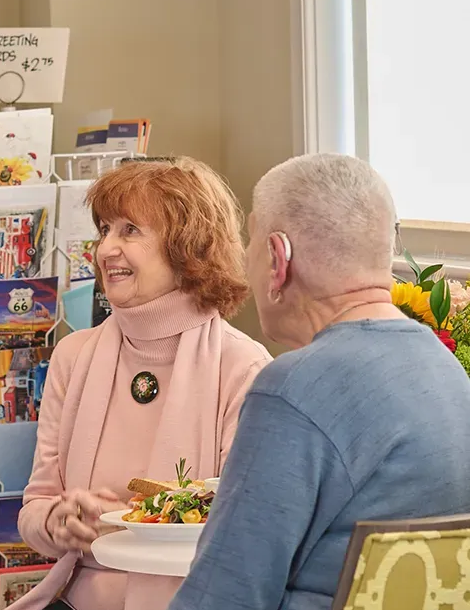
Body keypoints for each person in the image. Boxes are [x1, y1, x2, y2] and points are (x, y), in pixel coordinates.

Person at [167, 154, 470, 610]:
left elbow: (224, 595)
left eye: (250, 243)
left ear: (277, 257)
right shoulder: (446, 371)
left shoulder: (292, 390)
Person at [10, 157, 273, 610]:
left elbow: (245, 531)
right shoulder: (73, 356)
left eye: (130, 230)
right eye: (105, 229)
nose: (107, 248)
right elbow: (34, 509)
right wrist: (57, 520)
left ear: (187, 247)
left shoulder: (244, 367)